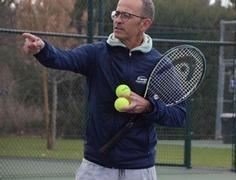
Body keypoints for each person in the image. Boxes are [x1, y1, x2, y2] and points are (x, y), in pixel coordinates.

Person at [21, 0, 186, 179]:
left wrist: (148, 107)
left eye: (126, 15)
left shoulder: (159, 65)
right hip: (95, 168)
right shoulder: (97, 53)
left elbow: (179, 115)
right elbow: (62, 58)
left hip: (139, 169)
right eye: (116, 14)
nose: (118, 20)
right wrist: (42, 49)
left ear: (144, 24)